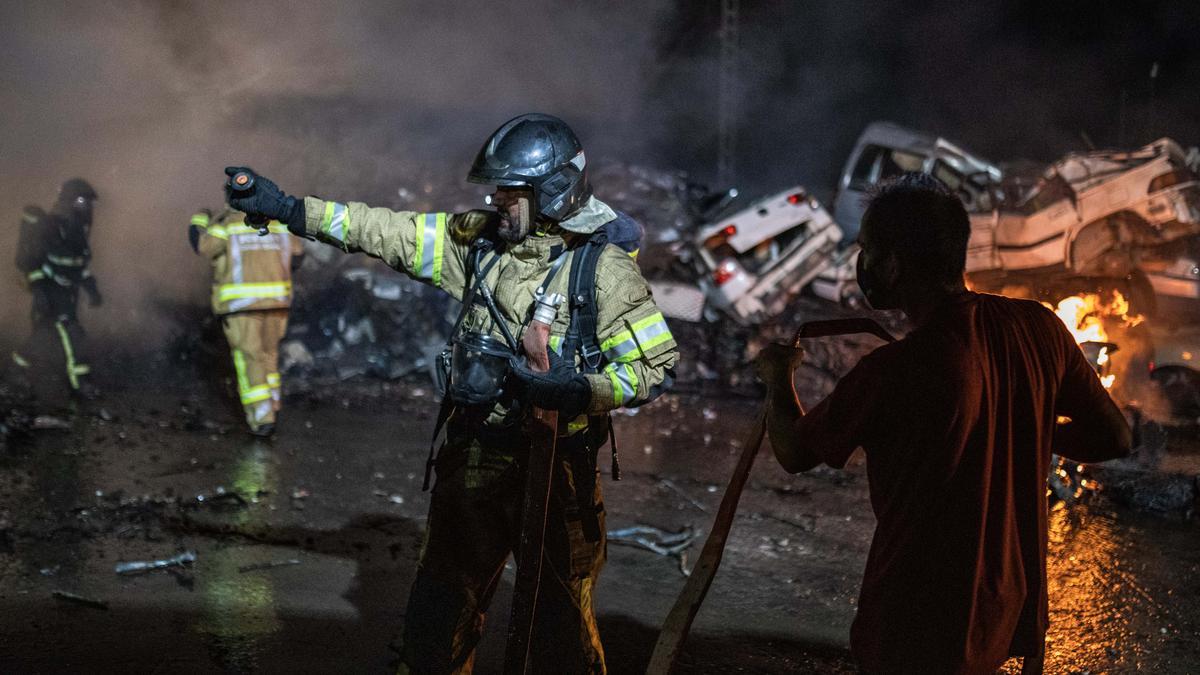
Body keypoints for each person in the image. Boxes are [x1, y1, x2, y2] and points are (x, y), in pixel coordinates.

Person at [223, 112, 679, 673]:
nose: (495, 202)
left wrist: (580, 389)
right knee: (438, 617)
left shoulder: (603, 270)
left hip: (559, 469)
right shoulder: (477, 246)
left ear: (552, 193)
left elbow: (654, 368)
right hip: (475, 456)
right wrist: (290, 209)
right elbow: (387, 231)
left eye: (509, 193)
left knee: (558, 631)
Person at [755, 173, 1132, 675]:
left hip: (913, 624)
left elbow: (795, 451)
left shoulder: (892, 372)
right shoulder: (1040, 327)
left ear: (892, 263)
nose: (861, 262)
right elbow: (1115, 436)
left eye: (867, 250)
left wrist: (779, 380)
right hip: (1006, 610)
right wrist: (1021, 423)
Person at [188, 207, 304, 437]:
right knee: (269, 355)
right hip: (277, 301)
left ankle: (262, 419)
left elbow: (203, 247)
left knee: (249, 357)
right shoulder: (277, 223)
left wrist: (198, 221)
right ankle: (273, 406)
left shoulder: (228, 226)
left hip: (242, 305)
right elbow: (298, 256)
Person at [11, 179, 102, 397]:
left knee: (43, 337)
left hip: (67, 294)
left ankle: (16, 370)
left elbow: (78, 264)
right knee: (74, 336)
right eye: (82, 201)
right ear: (69, 200)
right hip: (52, 293)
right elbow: (34, 262)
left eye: (88, 203)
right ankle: (80, 383)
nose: (86, 207)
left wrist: (92, 288)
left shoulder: (77, 231)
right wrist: (40, 290)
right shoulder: (52, 226)